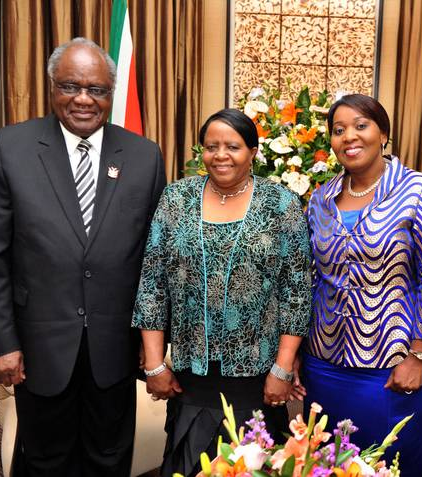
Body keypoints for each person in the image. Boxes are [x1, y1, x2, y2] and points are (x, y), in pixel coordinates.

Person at [0, 38, 166, 476]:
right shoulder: (10, 148)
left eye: (96, 89)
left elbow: (155, 261)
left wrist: (154, 343)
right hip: (40, 344)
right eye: (70, 86)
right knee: (44, 460)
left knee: (110, 456)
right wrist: (1, 342)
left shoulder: (143, 156)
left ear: (110, 92)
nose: (83, 98)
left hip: (115, 345)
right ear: (52, 87)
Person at [132, 108, 311, 477]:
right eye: (211, 146)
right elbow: (152, 283)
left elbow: (296, 292)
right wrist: (154, 363)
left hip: (257, 375)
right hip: (190, 372)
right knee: (188, 464)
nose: (220, 155)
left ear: (253, 152)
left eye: (232, 146)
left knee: (254, 465)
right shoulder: (176, 198)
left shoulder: (281, 204)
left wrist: (283, 366)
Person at [302, 94, 422, 477]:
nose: (348, 137)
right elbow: (311, 277)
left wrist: (418, 354)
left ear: (383, 133)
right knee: (325, 463)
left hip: (396, 363)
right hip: (325, 363)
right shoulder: (320, 198)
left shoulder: (421, 190)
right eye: (338, 130)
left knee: (395, 465)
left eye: (360, 125)